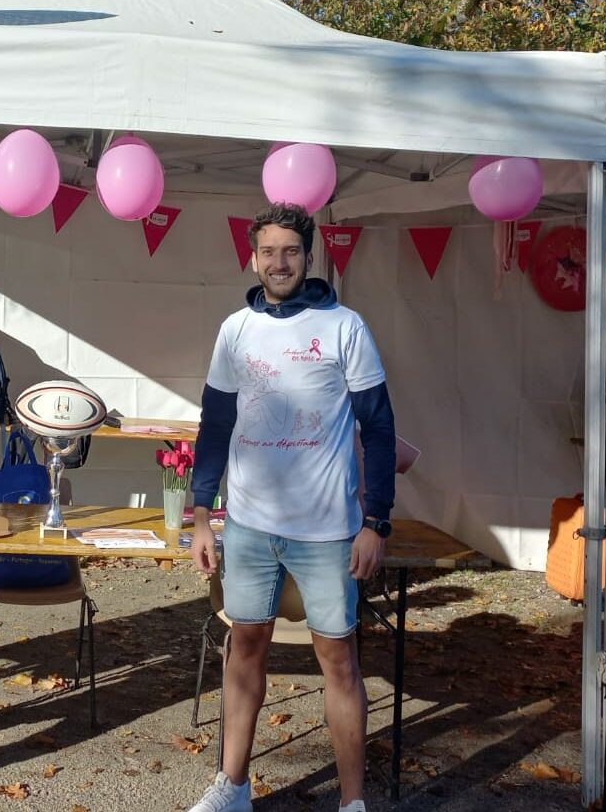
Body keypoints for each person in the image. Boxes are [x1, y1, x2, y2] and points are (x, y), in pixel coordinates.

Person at [187, 202, 396, 812]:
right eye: (268, 252)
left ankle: (352, 803)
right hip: (249, 527)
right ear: (253, 258)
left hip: (328, 532)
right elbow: (215, 425)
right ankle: (233, 787)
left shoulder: (344, 328)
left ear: (310, 257)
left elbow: (379, 429)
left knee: (338, 660)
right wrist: (203, 516)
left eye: (291, 252)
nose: (279, 263)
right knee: (243, 647)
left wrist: (375, 521)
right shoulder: (236, 330)